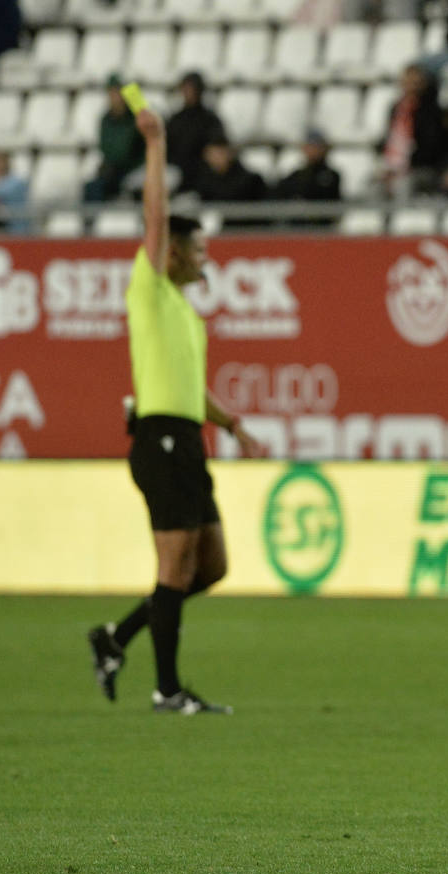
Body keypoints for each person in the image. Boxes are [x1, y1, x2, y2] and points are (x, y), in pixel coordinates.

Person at [86, 104, 266, 715]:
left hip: (186, 437)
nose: (206, 257)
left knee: (209, 566)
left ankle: (116, 638)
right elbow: (155, 216)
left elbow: (191, 391)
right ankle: (166, 690)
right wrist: (156, 144)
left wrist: (234, 423)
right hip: (159, 440)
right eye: (200, 248)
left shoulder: (185, 316)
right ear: (173, 254)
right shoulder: (151, 285)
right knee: (175, 565)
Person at [378, 64, 447, 198]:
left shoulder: (431, 112)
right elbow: (390, 140)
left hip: (421, 169)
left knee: (402, 185)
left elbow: (431, 147)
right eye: (407, 82)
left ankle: (403, 218)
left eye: (415, 83)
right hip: (395, 166)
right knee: (373, 187)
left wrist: (405, 167)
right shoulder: (396, 109)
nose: (410, 87)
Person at [83, 74, 145, 203]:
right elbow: (105, 148)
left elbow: (127, 148)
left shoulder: (134, 119)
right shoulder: (106, 119)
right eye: (111, 93)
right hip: (113, 171)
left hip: (133, 169)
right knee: (92, 188)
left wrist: (135, 99)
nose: (115, 97)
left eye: (118, 93)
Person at [165, 72, 227, 191]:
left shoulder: (210, 120)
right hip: (175, 173)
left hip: (201, 177)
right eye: (185, 88)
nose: (188, 93)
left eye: (191, 88)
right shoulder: (175, 119)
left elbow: (216, 150)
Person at [273, 129, 342, 226]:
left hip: (322, 228)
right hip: (298, 228)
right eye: (310, 146)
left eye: (316, 146)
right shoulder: (297, 175)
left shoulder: (332, 176)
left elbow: (328, 201)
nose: (312, 150)